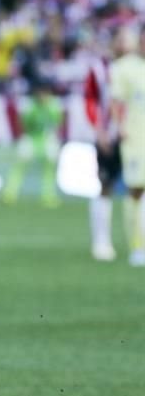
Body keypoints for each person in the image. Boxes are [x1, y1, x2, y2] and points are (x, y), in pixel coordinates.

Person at [107, 26, 145, 267]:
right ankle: (137, 245)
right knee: (137, 191)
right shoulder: (124, 67)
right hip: (135, 139)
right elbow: (115, 101)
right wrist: (118, 127)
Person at [84, 46, 122, 261]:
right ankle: (101, 240)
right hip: (108, 136)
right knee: (104, 185)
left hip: (135, 137)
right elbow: (90, 100)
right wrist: (99, 130)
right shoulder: (99, 70)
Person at [2, 79, 64, 207]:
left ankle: (48, 195)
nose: (42, 96)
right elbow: (24, 124)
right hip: (31, 138)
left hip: (47, 139)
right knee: (19, 165)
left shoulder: (54, 106)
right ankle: (10, 194)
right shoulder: (30, 106)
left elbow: (57, 123)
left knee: (50, 168)